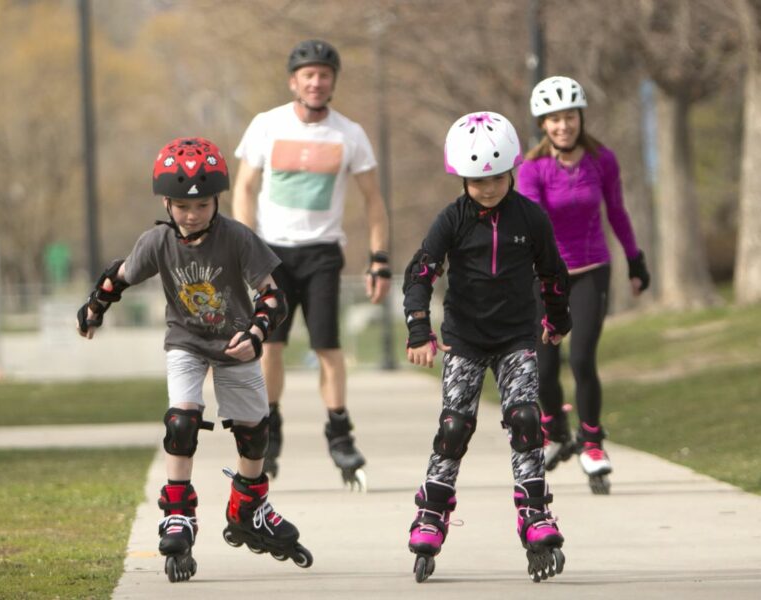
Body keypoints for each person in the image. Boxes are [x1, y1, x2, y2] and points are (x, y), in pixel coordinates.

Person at [76, 138, 312, 583]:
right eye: (182, 206)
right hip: (185, 341)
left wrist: (257, 332)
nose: (192, 215)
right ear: (166, 203)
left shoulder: (237, 238)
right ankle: (178, 511)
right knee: (181, 421)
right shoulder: (158, 242)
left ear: (217, 200)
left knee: (254, 433)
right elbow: (119, 277)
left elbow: (272, 295)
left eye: (202, 205)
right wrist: (93, 308)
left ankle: (250, 508)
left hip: (234, 341)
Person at [402, 111, 570, 583]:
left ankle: (535, 511)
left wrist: (557, 320)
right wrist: (419, 330)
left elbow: (552, 273)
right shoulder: (451, 220)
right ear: (462, 177)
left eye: (496, 177)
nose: (489, 188)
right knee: (454, 426)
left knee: (524, 417)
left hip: (517, 336)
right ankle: (432, 512)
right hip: (464, 338)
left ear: (512, 168)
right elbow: (419, 274)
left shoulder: (530, 217)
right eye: (478, 180)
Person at [232, 39, 391, 488]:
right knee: (270, 346)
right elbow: (244, 186)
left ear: (333, 81)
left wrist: (378, 259)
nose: (317, 82)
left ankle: (339, 434)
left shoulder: (349, 134)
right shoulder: (267, 125)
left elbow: (373, 201)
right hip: (271, 252)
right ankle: (271, 427)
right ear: (293, 81)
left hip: (322, 252)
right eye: (309, 75)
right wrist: (247, 247)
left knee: (328, 346)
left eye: (324, 75)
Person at [517, 76, 650, 495]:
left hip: (592, 269)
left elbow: (617, 212)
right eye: (554, 119)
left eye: (569, 117)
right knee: (543, 367)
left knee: (582, 358)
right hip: (545, 276)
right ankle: (556, 427)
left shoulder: (602, 160)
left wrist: (635, 258)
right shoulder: (532, 168)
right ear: (543, 124)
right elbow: (531, 225)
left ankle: (592, 443)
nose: (563, 126)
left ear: (580, 118)